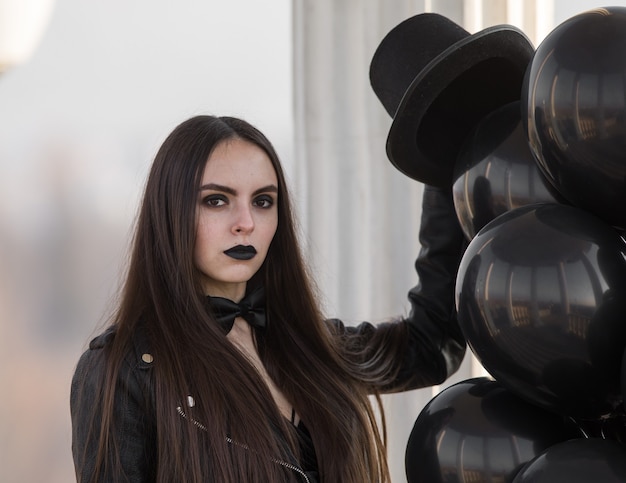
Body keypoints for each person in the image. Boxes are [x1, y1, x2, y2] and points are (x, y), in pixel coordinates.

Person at [70, 114, 467, 482]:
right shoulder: (123, 370)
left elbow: (432, 345)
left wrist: (447, 167)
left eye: (263, 201)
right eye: (216, 200)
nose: (246, 222)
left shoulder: (312, 344)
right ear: (170, 213)